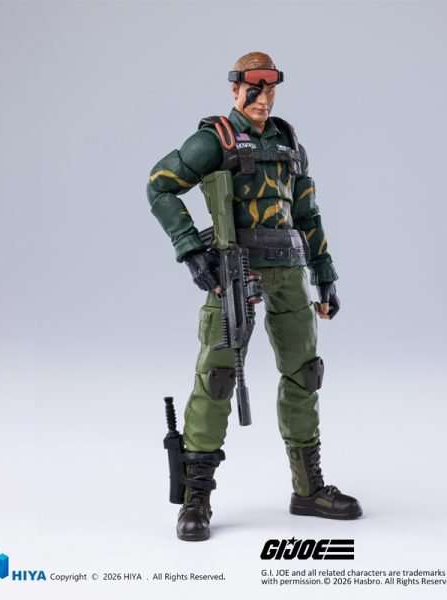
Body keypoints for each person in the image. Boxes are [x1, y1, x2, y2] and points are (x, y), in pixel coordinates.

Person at [147, 51, 362, 541]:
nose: (263, 99)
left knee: (305, 373)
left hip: (289, 270)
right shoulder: (214, 140)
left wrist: (325, 274)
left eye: (270, 90)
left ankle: (308, 488)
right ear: (234, 89)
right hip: (234, 270)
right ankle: (197, 497)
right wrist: (191, 251)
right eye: (253, 90)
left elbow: (306, 213)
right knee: (218, 377)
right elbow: (160, 187)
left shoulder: (288, 142)